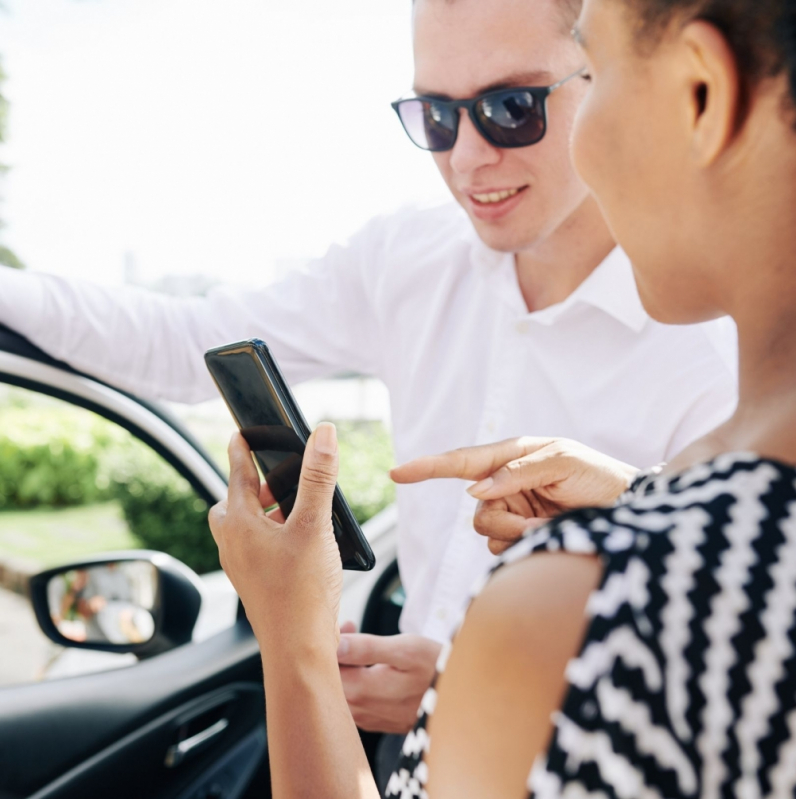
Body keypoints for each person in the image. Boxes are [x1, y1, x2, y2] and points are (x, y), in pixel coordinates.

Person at [0, 0, 736, 752]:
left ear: (606, 75)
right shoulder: (407, 259)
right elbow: (185, 339)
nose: (467, 158)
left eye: (511, 108)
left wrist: (459, 692)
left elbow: (719, 677)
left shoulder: (715, 350)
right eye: (436, 116)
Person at [207, 0, 796, 794]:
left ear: (701, 92)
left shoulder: (591, 602)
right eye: (438, 115)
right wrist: (642, 496)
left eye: (604, 70)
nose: (468, 159)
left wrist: (292, 640)